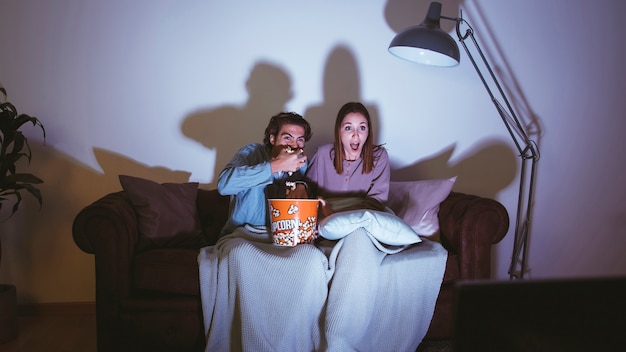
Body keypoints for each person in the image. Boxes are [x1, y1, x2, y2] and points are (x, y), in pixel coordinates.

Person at [217, 111, 312, 235]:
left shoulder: (303, 164)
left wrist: (302, 185)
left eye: (300, 139)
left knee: (313, 254)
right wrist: (275, 166)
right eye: (287, 137)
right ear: (272, 138)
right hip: (242, 235)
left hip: (282, 237)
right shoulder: (251, 153)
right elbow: (224, 186)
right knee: (239, 251)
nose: (294, 145)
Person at [306, 101, 390, 216]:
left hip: (361, 220)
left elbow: (377, 202)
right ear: (339, 131)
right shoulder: (323, 153)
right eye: (348, 128)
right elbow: (307, 190)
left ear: (368, 131)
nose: (356, 135)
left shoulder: (379, 156)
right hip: (324, 221)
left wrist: (335, 215)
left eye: (362, 127)